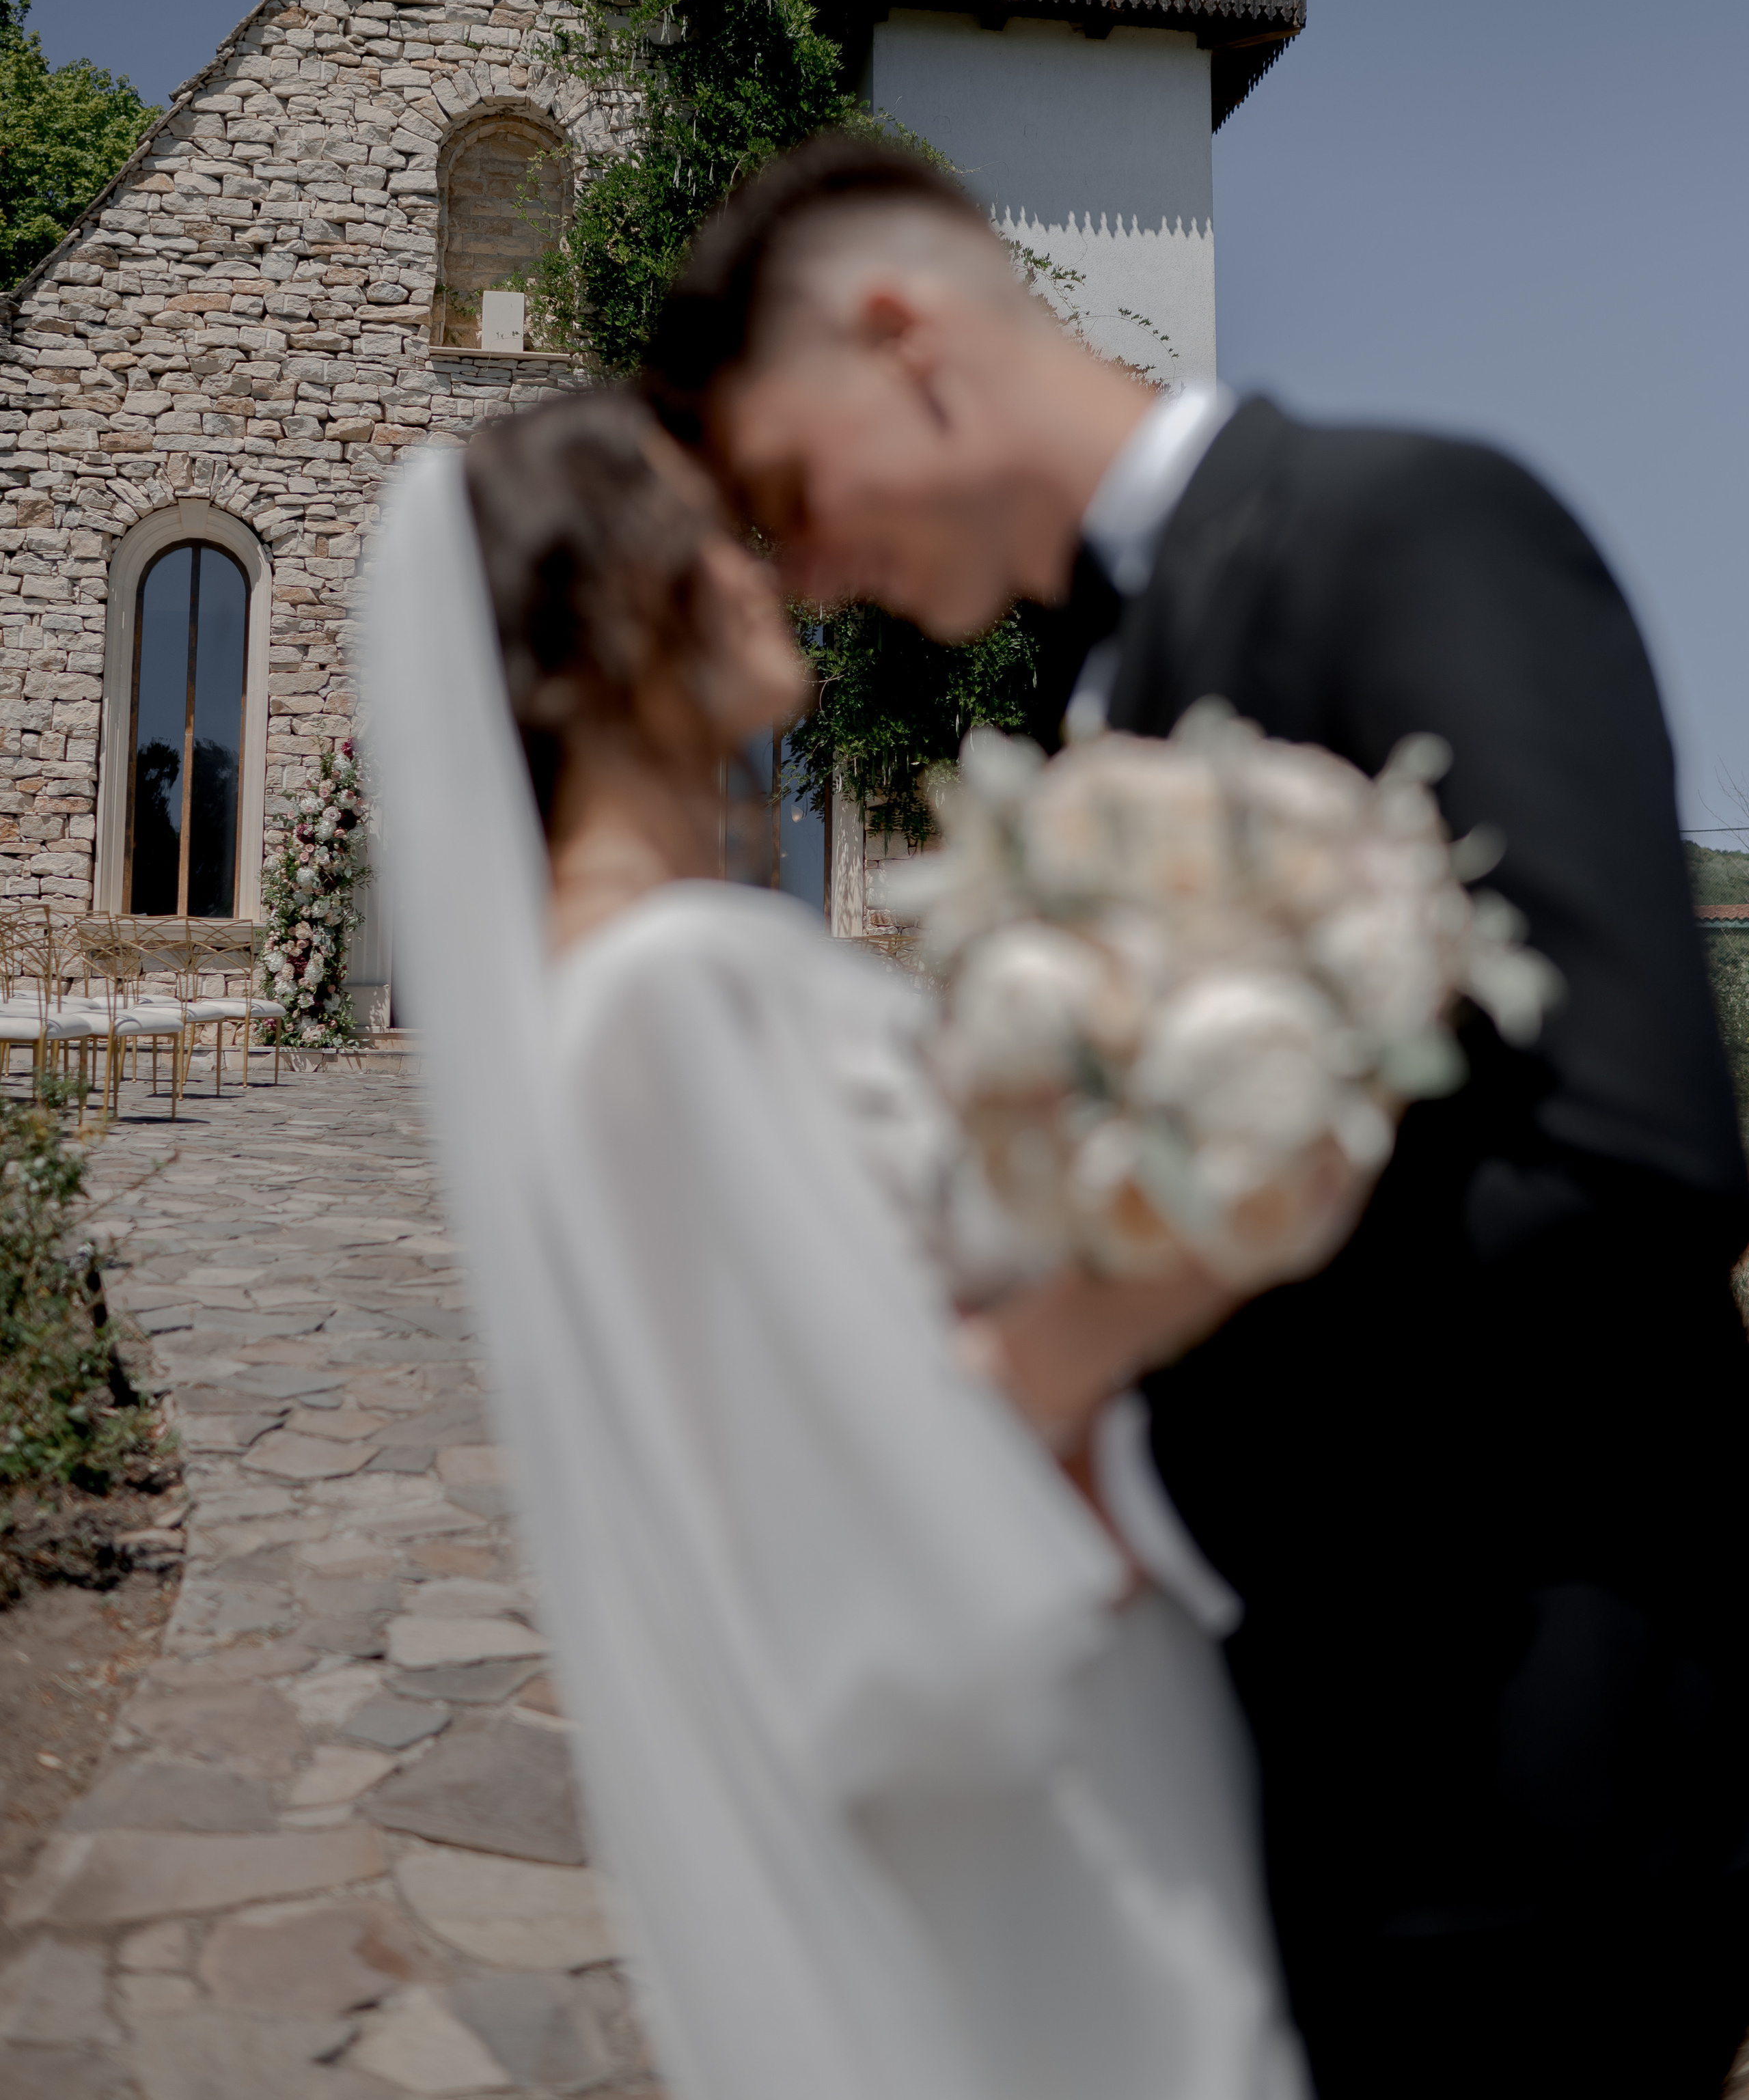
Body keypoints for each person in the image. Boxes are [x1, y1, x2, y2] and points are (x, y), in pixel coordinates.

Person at [640, 135, 1749, 2100]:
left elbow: (1637, 1155)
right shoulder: (1087, 685)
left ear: (903, 337)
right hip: (1280, 1751)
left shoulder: (1404, 528)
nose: (806, 578)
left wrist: (1115, 1412)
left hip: (1518, 1773)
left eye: (792, 496)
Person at [366, 391, 1331, 2100]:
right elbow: (886, 1489)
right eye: (695, 539)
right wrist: (1236, 1217)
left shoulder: (647, 985)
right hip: (1050, 1789)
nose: (754, 574)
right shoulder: (679, 994)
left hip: (1048, 1733)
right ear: (582, 645)